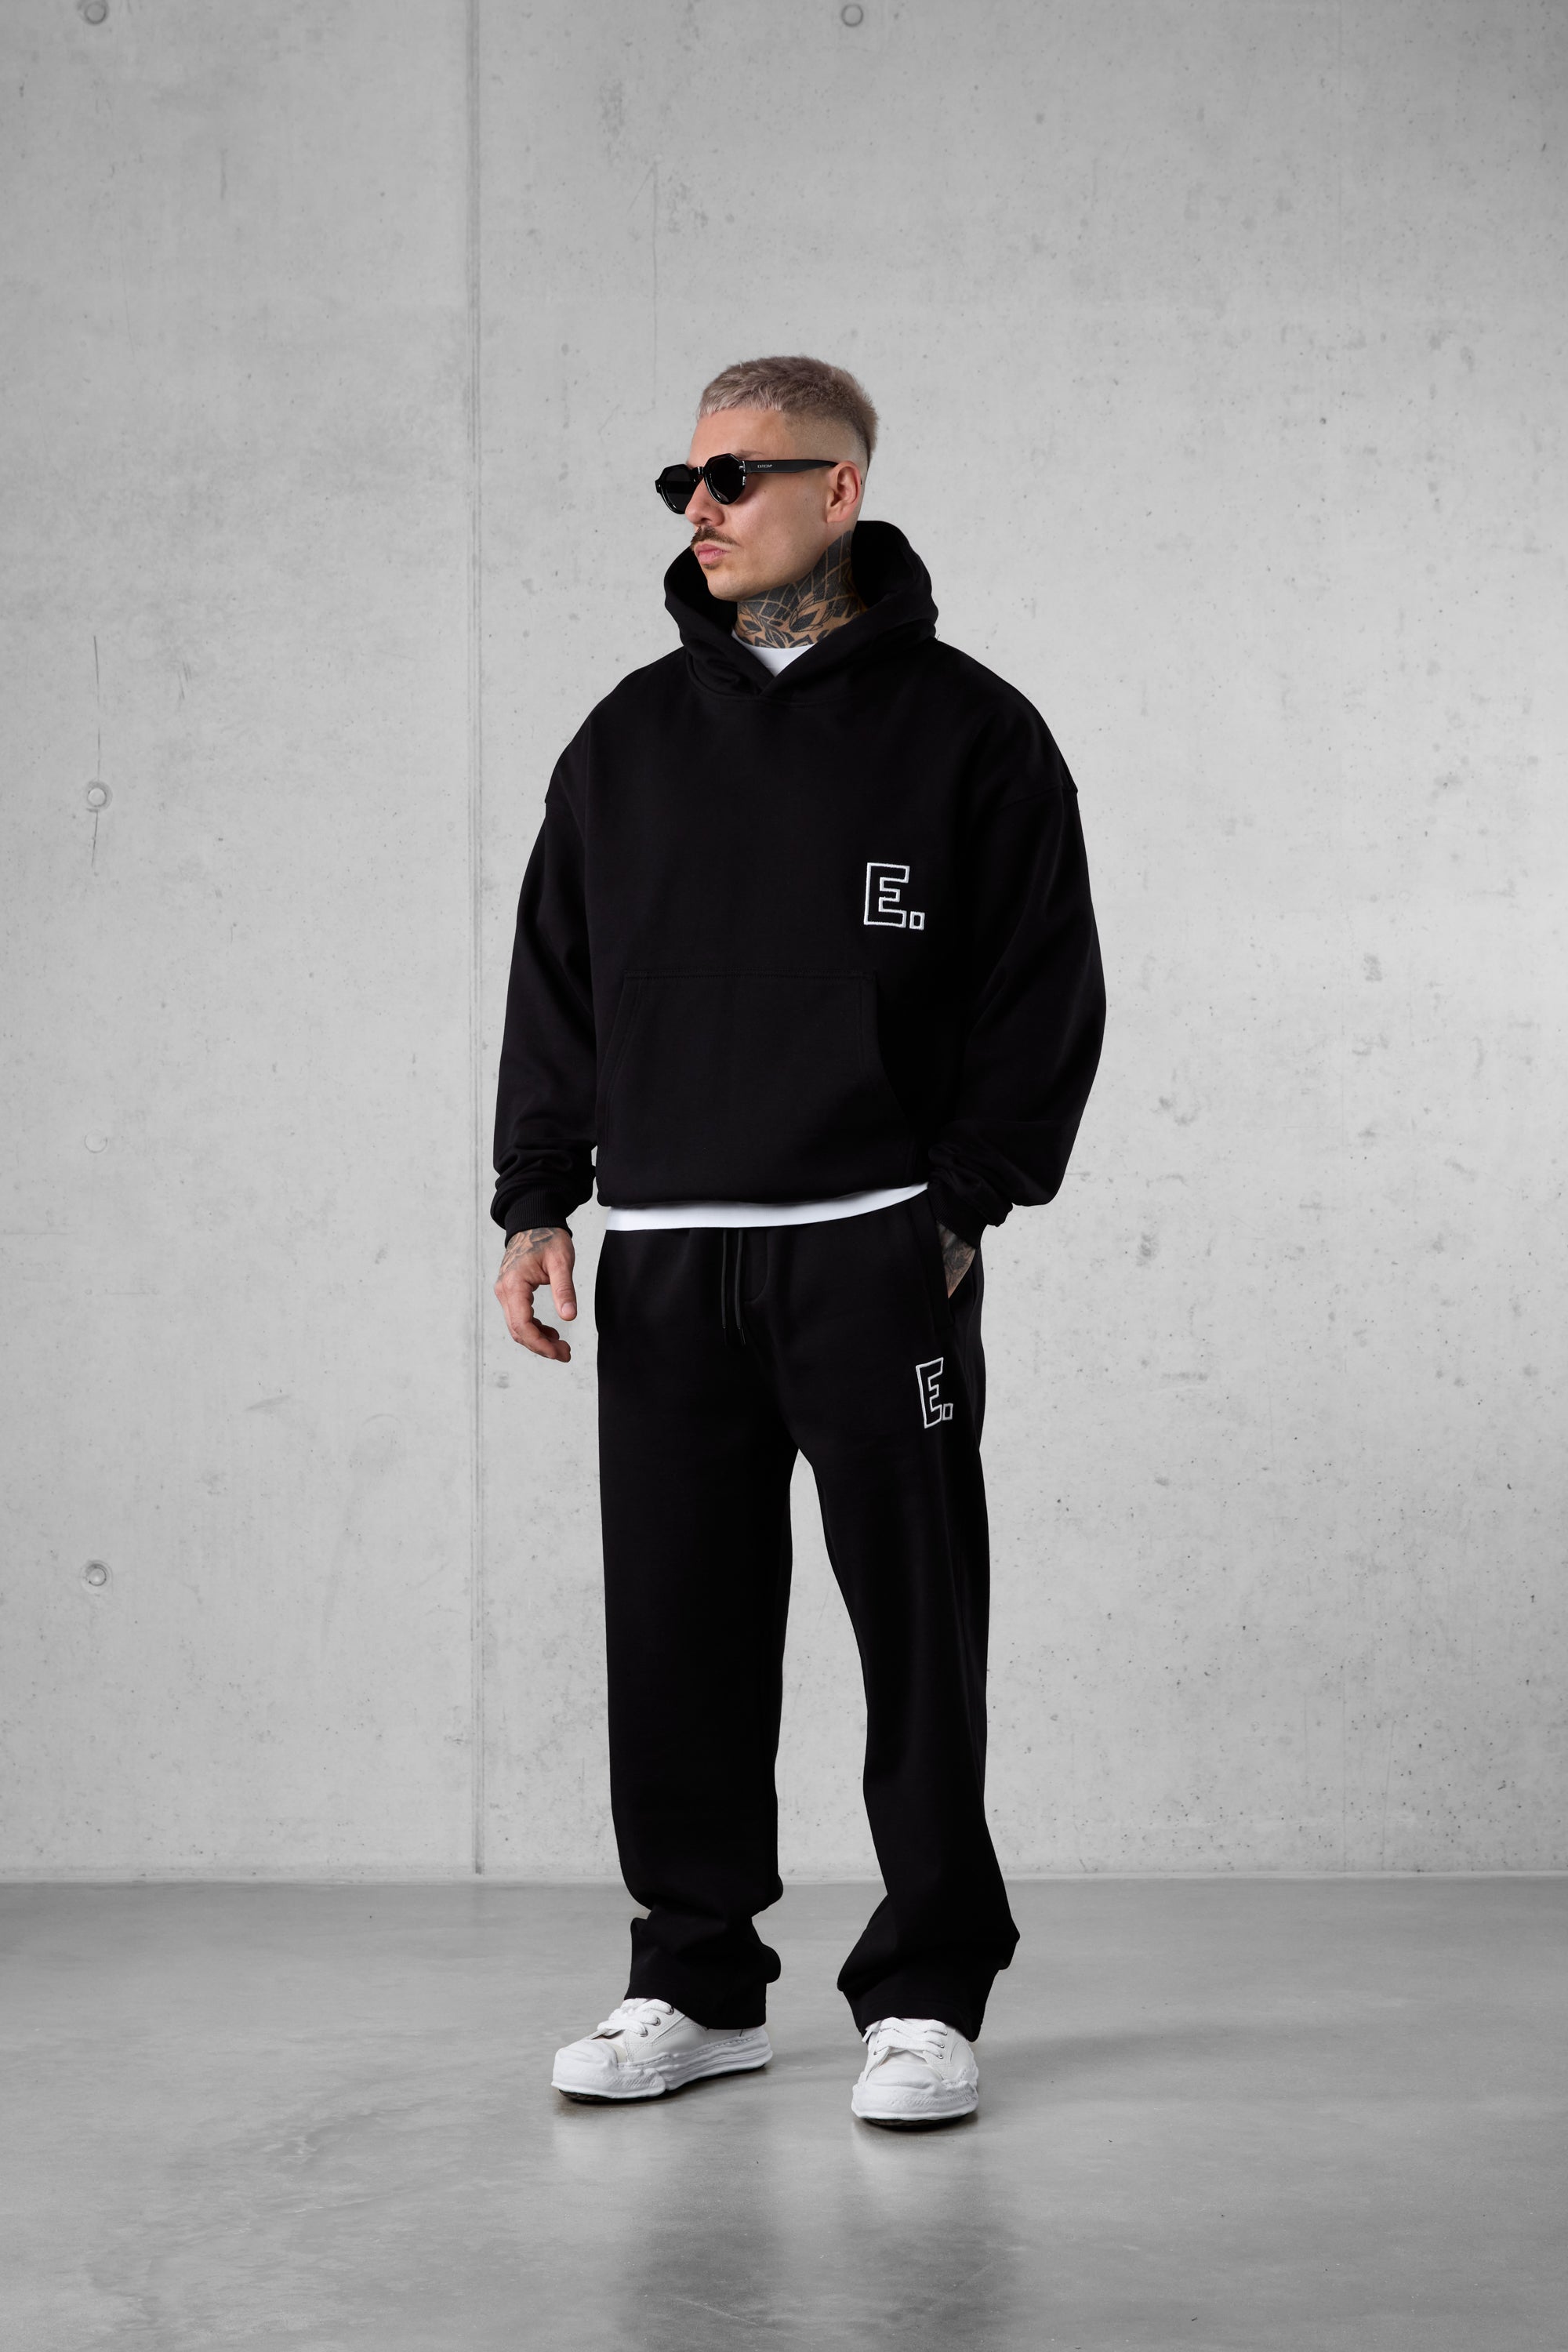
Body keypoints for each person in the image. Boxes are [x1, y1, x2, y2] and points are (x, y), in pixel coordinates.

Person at [492, 355, 1105, 2128]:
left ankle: (926, 1990)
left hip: (868, 1249)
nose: (703, 506)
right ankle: (695, 1981)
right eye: (685, 477)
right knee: (674, 1630)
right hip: (668, 1252)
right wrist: (535, 1199)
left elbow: (1042, 986)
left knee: (916, 1625)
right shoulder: (625, 737)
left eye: (740, 475)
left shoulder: (972, 731)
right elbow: (557, 982)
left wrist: (961, 1202)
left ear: (840, 489)